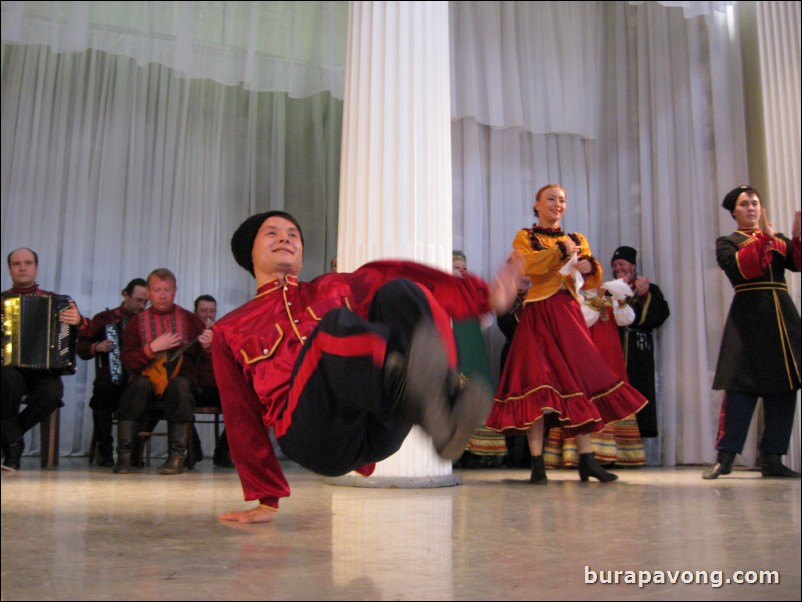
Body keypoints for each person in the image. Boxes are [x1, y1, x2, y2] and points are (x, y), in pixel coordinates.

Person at [212, 210, 521, 523]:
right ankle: (424, 391)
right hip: (316, 435)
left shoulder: (334, 287)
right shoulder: (231, 328)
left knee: (400, 289)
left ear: (302, 255)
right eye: (272, 233)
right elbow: (241, 416)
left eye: (293, 234)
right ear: (248, 252)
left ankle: (441, 412)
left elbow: (402, 273)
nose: (285, 238)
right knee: (335, 325)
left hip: (379, 424)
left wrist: (483, 298)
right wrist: (266, 496)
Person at [486, 184, 647, 484]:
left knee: (579, 379)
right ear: (537, 204)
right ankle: (537, 465)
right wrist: (558, 253)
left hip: (567, 311)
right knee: (535, 383)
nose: (557, 204)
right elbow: (527, 266)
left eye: (562, 200)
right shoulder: (526, 237)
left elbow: (590, 282)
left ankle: (587, 459)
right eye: (551, 199)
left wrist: (589, 266)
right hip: (537, 312)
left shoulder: (577, 238)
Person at [702, 185, 801, 479]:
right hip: (748, 319)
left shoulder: (776, 239)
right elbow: (745, 269)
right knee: (740, 389)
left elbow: (796, 263)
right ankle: (726, 457)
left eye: (755, 203)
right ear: (734, 212)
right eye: (745, 204)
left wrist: (796, 239)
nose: (751, 208)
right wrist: (767, 241)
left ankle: (772, 458)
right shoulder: (726, 242)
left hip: (782, 319)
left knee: (784, 389)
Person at [115, 268, 213, 475]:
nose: (162, 295)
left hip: (181, 386)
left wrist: (208, 347)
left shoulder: (190, 319)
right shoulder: (136, 323)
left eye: (167, 290)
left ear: (175, 291)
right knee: (138, 385)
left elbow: (205, 362)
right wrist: (152, 348)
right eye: (157, 290)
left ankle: (176, 458)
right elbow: (128, 362)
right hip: (146, 384)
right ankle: (125, 457)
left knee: (180, 385)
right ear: (149, 292)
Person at [1, 247, 88, 470]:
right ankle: (12, 447)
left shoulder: (56, 301)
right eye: (17, 264)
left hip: (42, 370)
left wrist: (78, 321)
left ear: (36, 268)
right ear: (10, 268)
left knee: (52, 393)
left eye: (27, 263)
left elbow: (86, 331)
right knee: (8, 378)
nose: (22, 267)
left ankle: (11, 440)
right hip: (8, 370)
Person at [544, 280, 646, 469]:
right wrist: (598, 298)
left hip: (610, 355)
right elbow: (584, 320)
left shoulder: (608, 297)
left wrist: (621, 298)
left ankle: (618, 452)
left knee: (613, 391)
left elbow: (627, 319)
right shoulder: (576, 298)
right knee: (586, 394)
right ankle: (583, 454)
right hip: (588, 354)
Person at [76, 278, 149, 467]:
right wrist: (95, 347)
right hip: (112, 381)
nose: (142, 305)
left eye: (145, 301)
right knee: (102, 389)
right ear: (125, 295)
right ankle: (105, 449)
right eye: (138, 300)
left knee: (152, 391)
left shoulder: (148, 321)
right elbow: (81, 347)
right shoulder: (105, 318)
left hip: (139, 381)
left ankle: (135, 449)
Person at [451, 250, 508, 468]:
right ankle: (457, 449)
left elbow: (486, 321)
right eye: (456, 267)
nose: (461, 271)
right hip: (456, 345)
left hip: (473, 347)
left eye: (464, 268)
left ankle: (483, 450)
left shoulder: (473, 289)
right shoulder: (443, 291)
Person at [610, 246, 670, 439]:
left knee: (639, 390)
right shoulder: (609, 289)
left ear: (633, 266)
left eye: (622, 263)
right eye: (615, 265)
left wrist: (644, 296)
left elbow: (658, 316)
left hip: (639, 348)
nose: (618, 267)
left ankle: (635, 442)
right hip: (616, 347)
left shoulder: (650, 289)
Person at [193, 294, 233, 468]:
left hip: (216, 387)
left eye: (212, 311)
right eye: (203, 311)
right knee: (176, 402)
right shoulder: (189, 330)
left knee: (240, 407)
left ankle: (222, 453)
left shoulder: (222, 331)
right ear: (195, 312)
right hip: (194, 387)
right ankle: (193, 449)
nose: (208, 315)